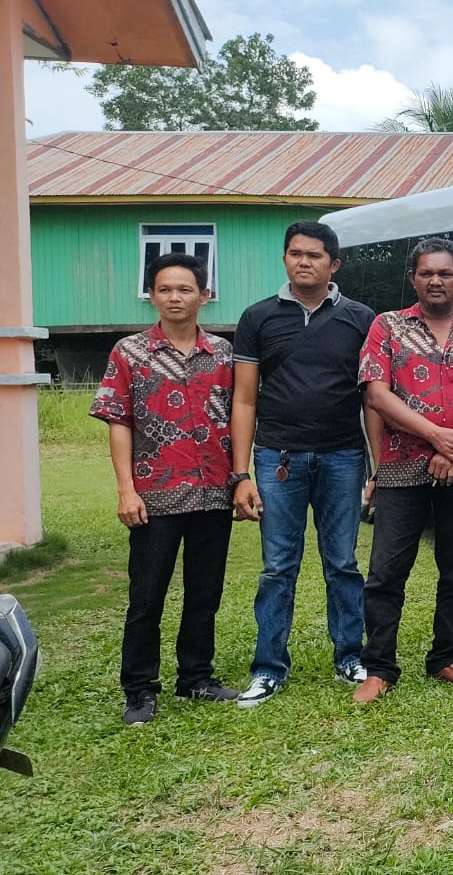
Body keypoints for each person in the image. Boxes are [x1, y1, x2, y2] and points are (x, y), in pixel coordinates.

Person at [352, 237, 453, 703]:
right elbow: (377, 395)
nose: (435, 280)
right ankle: (379, 666)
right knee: (386, 570)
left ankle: (447, 657)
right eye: (426, 273)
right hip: (401, 468)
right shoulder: (388, 327)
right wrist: (436, 435)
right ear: (413, 279)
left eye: (445, 273)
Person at [231, 221, 377, 708]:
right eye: (294, 253)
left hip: (343, 456)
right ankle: (269, 667)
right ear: (284, 259)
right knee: (278, 568)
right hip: (278, 459)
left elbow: (372, 400)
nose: (302, 262)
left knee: (342, 563)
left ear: (334, 264)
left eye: (314, 255)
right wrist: (241, 473)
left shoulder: (361, 319)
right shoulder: (258, 318)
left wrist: (376, 467)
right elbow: (245, 400)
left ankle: (350, 656)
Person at [91, 253, 239, 725]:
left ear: (205, 295)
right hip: (153, 495)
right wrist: (124, 490)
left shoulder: (223, 354)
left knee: (205, 591)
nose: (175, 298)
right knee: (147, 595)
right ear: (152, 295)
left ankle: (196, 677)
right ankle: (139, 689)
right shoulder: (129, 352)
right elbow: (119, 421)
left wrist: (241, 478)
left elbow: (241, 416)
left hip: (213, 492)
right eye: (165, 289)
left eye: (185, 289)